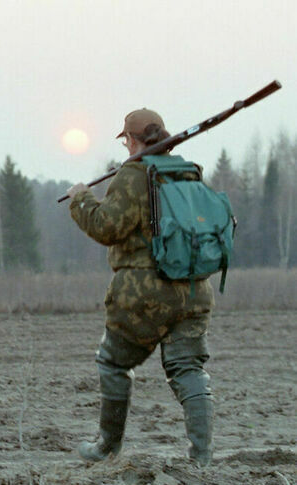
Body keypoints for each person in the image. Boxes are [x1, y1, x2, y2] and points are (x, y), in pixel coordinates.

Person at [65, 109, 214, 466]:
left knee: (113, 364)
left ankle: (107, 447)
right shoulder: (187, 172)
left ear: (130, 140)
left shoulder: (133, 175)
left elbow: (107, 227)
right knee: (189, 370)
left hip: (143, 294)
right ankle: (202, 458)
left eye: (125, 140)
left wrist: (81, 199)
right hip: (193, 289)